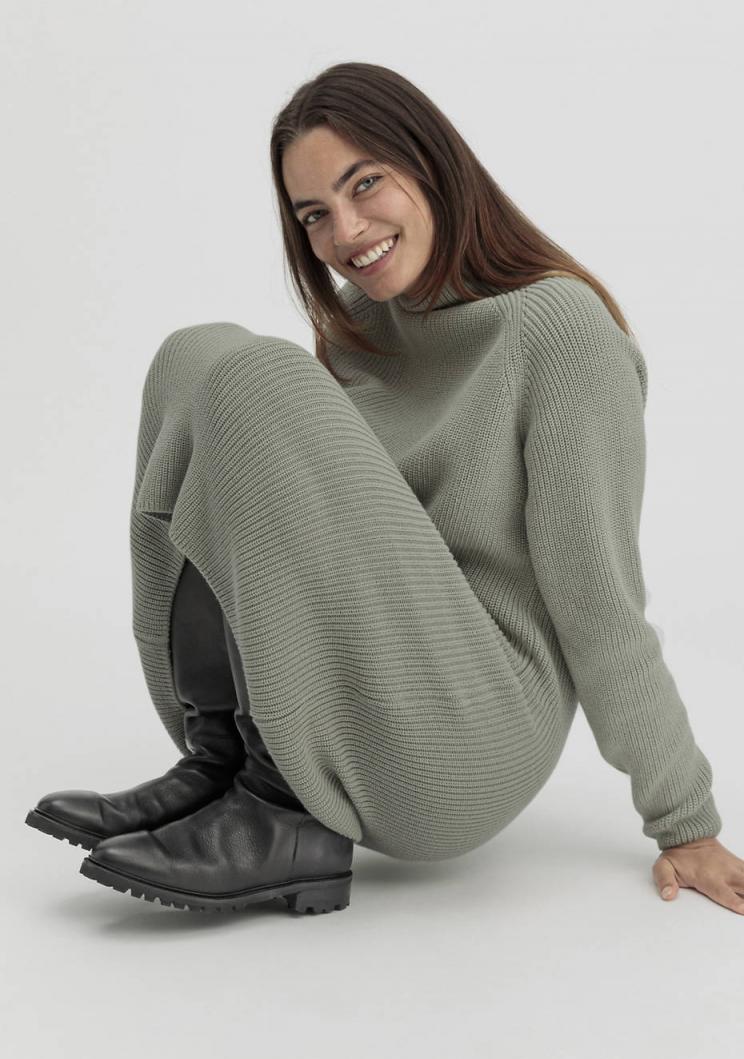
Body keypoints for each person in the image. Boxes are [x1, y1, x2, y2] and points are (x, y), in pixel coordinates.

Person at [26, 62, 744, 918]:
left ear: (431, 163)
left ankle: (280, 814)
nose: (346, 232)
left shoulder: (559, 332)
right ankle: (221, 762)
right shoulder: (360, 327)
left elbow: (600, 598)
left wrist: (685, 821)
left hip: (475, 736)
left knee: (256, 375)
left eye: (365, 184)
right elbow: (314, 565)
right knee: (197, 353)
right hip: (373, 695)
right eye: (314, 215)